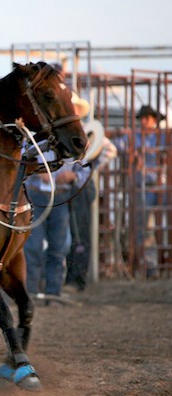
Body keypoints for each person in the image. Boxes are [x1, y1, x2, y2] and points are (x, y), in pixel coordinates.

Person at [24, 93, 94, 300]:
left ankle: (52, 291)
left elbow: (85, 169)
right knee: (35, 246)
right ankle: (33, 290)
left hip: (59, 197)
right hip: (38, 196)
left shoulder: (76, 139)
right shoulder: (38, 135)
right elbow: (22, 163)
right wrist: (37, 172)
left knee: (58, 246)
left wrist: (72, 176)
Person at [114, 104, 167, 279]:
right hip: (142, 187)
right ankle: (147, 265)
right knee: (145, 227)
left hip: (159, 186)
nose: (145, 121)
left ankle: (148, 264)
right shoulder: (134, 137)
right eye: (143, 118)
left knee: (150, 226)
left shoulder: (162, 138)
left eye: (148, 118)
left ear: (154, 120)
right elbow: (117, 147)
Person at [65, 116, 117, 291]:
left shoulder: (87, 131)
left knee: (78, 234)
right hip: (71, 188)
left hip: (79, 188)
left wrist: (84, 172)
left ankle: (76, 278)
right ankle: (71, 277)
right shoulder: (82, 131)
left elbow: (110, 150)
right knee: (72, 233)